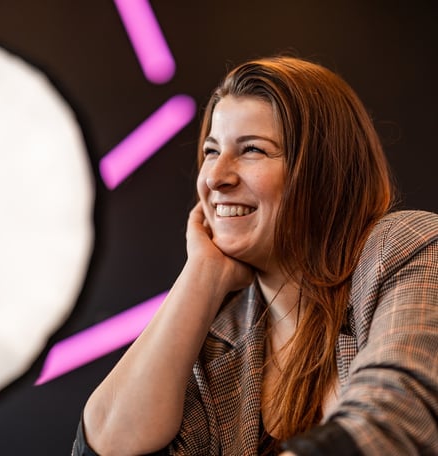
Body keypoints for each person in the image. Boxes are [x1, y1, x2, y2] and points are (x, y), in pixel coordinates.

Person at [72, 56, 438, 455]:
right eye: (212, 151)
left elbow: (399, 414)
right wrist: (202, 273)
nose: (215, 177)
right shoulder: (223, 338)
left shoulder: (406, 245)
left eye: (252, 151)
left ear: (322, 171)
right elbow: (108, 446)